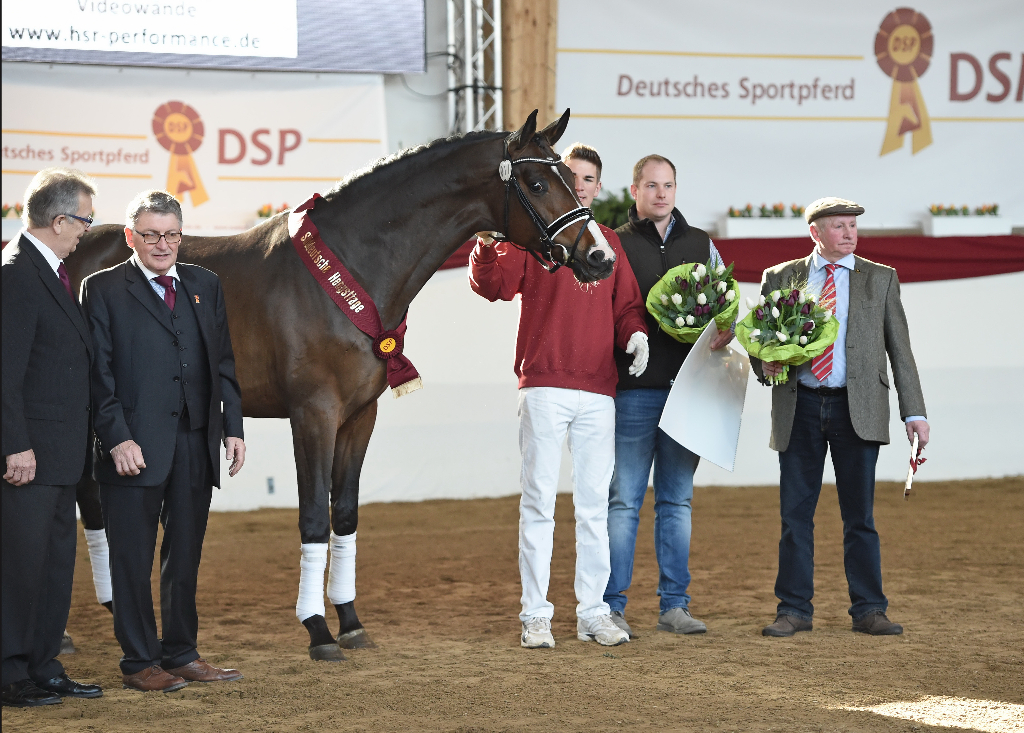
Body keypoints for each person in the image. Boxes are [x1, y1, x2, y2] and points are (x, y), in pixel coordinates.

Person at [469, 142, 648, 649]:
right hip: (544, 384)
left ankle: (593, 612)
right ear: (563, 183)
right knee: (539, 505)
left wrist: (635, 334)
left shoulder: (609, 243)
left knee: (594, 507)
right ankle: (536, 616)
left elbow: (627, 307)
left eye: (589, 178)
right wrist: (486, 242)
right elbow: (492, 286)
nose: (581, 185)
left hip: (598, 391)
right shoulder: (533, 242)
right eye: (573, 177)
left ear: (597, 187)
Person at [82, 190, 247, 691]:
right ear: (130, 236)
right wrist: (116, 438)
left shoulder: (205, 283)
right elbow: (97, 374)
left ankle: (181, 653)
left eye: (171, 234)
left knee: (184, 554)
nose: (162, 244)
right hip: (132, 447)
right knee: (130, 558)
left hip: (195, 440)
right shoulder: (102, 288)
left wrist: (233, 426)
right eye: (151, 234)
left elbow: (222, 361)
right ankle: (138, 663)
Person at [753, 197, 928, 637]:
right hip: (801, 405)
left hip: (860, 407)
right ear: (815, 232)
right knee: (795, 517)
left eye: (853, 226)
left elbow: (900, 351)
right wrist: (764, 366)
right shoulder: (780, 277)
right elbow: (760, 341)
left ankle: (870, 609)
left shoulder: (881, 279)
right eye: (838, 226)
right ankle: (793, 610)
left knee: (860, 517)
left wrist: (915, 412)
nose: (849, 233)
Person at [604, 155, 734, 639]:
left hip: (689, 392)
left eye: (669, 185)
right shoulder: (613, 243)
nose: (661, 194)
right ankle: (612, 605)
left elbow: (726, 307)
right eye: (652, 185)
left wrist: (726, 329)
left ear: (677, 190)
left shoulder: (701, 243)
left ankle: (674, 606)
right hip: (633, 391)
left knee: (677, 501)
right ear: (634, 189)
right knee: (623, 501)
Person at [2, 168, 104, 707]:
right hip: (30, 456)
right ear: (60, 219)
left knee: (53, 565)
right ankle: (9, 672)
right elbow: (5, 371)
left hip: (62, 458)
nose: (89, 228)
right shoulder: (17, 275)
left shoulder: (55, 273)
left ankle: (42, 664)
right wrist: (14, 444)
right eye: (85, 219)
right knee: (19, 566)